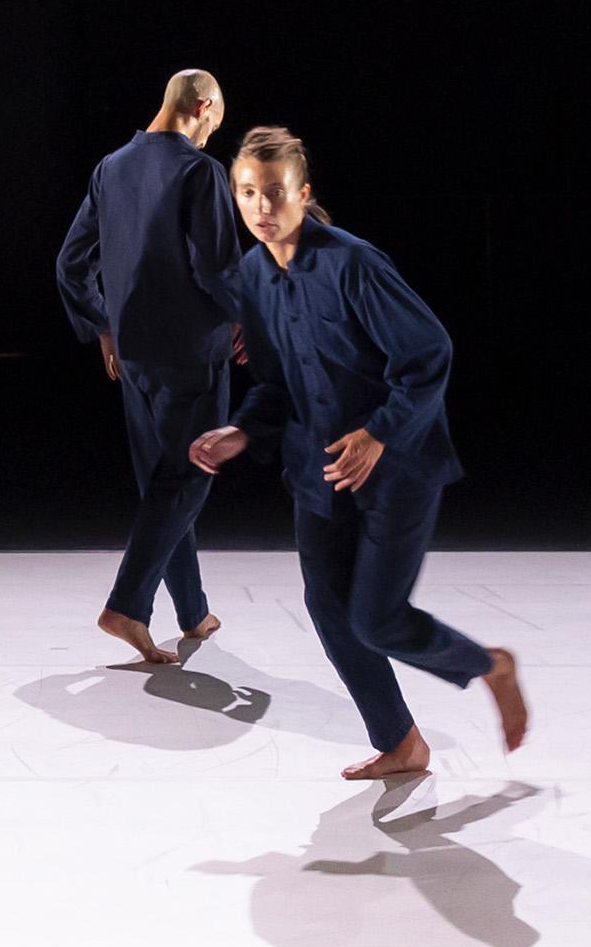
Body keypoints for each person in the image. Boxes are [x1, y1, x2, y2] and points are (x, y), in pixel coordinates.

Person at [189, 128, 525, 780]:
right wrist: (242, 431)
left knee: (377, 618)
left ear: (303, 193)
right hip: (318, 468)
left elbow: (428, 354)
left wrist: (378, 433)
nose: (261, 206)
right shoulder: (253, 275)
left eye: (275, 191)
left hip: (397, 466)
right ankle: (401, 742)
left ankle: (490, 665)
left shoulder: (353, 263)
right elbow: (274, 384)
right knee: (327, 607)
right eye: (248, 192)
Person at [56, 68, 246, 667]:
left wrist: (103, 326)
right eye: (216, 121)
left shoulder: (110, 168)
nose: (213, 134)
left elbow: (69, 264)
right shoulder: (199, 171)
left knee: (164, 484)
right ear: (204, 106)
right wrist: (251, 319)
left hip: (133, 355)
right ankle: (128, 605)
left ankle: (192, 611)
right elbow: (216, 268)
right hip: (192, 351)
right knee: (188, 478)